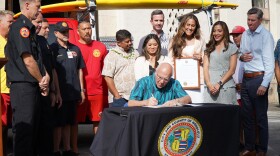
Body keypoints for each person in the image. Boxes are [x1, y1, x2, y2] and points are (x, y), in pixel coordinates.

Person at [4, 0, 50, 155]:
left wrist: (45, 76)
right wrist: (41, 80)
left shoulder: (29, 28)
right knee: (25, 131)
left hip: (32, 85)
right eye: (38, 6)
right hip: (23, 86)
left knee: (34, 132)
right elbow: (28, 60)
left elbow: (37, 58)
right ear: (27, 5)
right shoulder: (21, 27)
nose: (40, 9)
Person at [239, 8, 274, 156]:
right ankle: (250, 147)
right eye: (248, 20)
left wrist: (264, 84)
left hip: (259, 79)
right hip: (246, 80)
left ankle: (262, 150)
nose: (250, 23)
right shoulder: (245, 34)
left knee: (260, 117)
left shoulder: (266, 36)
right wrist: (241, 57)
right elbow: (241, 53)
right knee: (247, 117)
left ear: (260, 20)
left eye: (253, 20)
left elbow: (270, 63)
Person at [50, 21, 85, 156]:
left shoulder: (75, 49)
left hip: (74, 91)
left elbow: (80, 70)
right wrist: (55, 91)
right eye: (62, 32)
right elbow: (52, 71)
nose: (66, 34)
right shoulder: (52, 49)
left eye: (67, 31)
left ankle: (68, 149)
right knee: (59, 122)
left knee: (70, 122)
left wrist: (82, 90)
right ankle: (55, 150)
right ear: (56, 33)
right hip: (60, 93)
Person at [75, 21, 108, 153]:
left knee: (98, 120)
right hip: (79, 91)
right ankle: (74, 148)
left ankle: (98, 148)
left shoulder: (100, 46)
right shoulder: (74, 47)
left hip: (97, 90)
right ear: (78, 31)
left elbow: (107, 69)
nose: (87, 31)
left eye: (89, 28)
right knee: (75, 121)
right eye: (84, 29)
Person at [168, 13, 205, 103]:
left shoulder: (200, 40)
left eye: (193, 25)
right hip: (180, 80)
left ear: (196, 27)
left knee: (197, 107)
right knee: (182, 108)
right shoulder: (174, 40)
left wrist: (201, 58)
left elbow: (206, 59)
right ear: (183, 25)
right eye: (188, 25)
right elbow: (170, 60)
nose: (190, 28)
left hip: (197, 81)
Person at [203, 21, 238, 105]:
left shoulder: (232, 47)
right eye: (214, 31)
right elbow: (205, 68)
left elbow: (232, 70)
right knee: (210, 115)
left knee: (227, 115)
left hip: (226, 87)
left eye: (219, 31)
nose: (216, 33)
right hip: (210, 87)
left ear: (224, 32)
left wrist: (219, 84)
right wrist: (209, 84)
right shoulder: (208, 48)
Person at [102, 29, 139, 107]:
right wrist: (117, 95)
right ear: (118, 43)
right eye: (127, 42)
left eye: (131, 41)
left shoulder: (135, 53)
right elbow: (108, 77)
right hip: (119, 98)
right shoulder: (111, 56)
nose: (130, 43)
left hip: (134, 97)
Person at [230, 25, 246, 152]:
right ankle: (240, 142)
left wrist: (244, 84)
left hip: (246, 89)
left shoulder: (248, 49)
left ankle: (254, 144)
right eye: (233, 35)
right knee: (238, 120)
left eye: (237, 35)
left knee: (251, 120)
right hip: (234, 90)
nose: (235, 38)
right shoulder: (233, 50)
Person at [0, 10, 14, 156]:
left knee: (9, 127)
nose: (12, 24)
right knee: (1, 127)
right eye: (9, 22)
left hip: (12, 89)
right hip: (1, 92)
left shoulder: (11, 40)